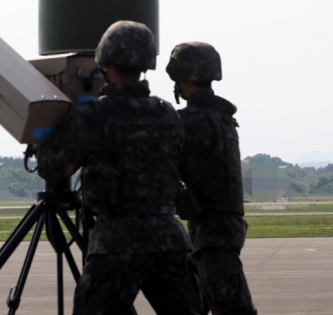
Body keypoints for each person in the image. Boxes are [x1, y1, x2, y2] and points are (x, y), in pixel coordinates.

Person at [38, 21, 202, 315]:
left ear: (105, 62)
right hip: (170, 239)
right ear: (146, 64)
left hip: (117, 240)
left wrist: (48, 136)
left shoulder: (95, 115)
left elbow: (53, 169)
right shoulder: (168, 114)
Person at [166, 42, 257, 315]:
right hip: (221, 230)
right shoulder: (223, 117)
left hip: (212, 235)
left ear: (180, 78)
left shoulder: (189, 120)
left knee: (233, 308)